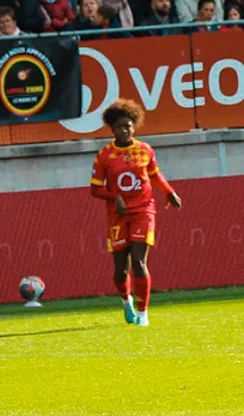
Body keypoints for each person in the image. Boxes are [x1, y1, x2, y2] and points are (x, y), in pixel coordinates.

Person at [90, 99, 181, 327]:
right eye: (120, 127)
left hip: (143, 209)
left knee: (139, 262)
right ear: (112, 130)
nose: (125, 130)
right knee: (121, 271)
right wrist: (115, 197)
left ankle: (143, 314)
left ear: (134, 126)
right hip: (118, 215)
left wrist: (168, 192)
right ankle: (125, 301)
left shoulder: (145, 150)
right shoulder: (104, 156)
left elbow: (154, 175)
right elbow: (95, 189)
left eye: (128, 126)